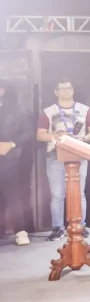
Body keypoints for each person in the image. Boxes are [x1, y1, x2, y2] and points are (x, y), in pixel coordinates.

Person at [36, 79, 90, 241]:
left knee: (79, 193)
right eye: (61, 89)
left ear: (73, 90)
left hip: (78, 155)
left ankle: (81, 226)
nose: (66, 91)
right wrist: (53, 136)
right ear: (56, 92)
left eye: (68, 88)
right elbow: (40, 134)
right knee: (57, 194)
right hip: (55, 156)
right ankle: (58, 228)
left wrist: (83, 138)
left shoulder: (84, 110)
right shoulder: (48, 111)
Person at [0, 81, 32, 246]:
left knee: (13, 196)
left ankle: (20, 231)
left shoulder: (17, 110)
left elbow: (27, 133)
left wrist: (11, 144)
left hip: (9, 160)